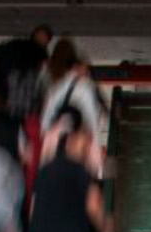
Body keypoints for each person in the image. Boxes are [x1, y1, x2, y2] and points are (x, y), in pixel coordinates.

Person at [39, 40, 106, 177]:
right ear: (77, 67)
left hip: (56, 134)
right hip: (78, 135)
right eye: (85, 69)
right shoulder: (86, 87)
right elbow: (91, 115)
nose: (87, 72)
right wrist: (94, 138)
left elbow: (47, 113)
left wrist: (46, 132)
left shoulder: (58, 86)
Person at [0, 24, 54, 119]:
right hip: (25, 112)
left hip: (4, 107)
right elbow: (44, 87)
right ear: (46, 41)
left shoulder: (12, 47)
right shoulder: (40, 57)